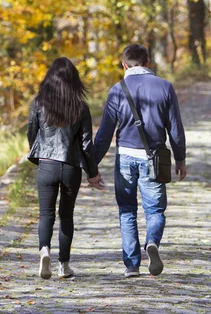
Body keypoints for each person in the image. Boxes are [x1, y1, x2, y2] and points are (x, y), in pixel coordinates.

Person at [94, 44, 187, 277]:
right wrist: (180, 159)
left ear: (124, 65)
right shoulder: (165, 87)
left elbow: (104, 133)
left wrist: (91, 165)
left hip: (125, 156)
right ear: (148, 63)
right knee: (155, 210)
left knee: (127, 210)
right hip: (154, 158)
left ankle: (131, 265)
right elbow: (175, 128)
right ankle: (152, 242)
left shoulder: (117, 90)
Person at [27, 57, 105, 280]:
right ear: (74, 80)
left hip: (47, 165)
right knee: (66, 215)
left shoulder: (38, 103)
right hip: (71, 167)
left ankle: (44, 251)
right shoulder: (80, 106)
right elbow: (86, 145)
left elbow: (31, 134)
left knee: (46, 214)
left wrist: (40, 155)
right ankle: (64, 266)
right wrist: (93, 173)